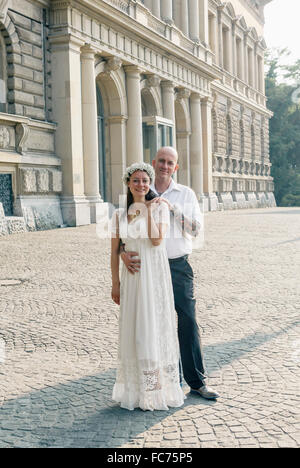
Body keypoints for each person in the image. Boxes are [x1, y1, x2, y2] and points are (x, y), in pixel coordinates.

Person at [121, 148, 220, 400]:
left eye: (170, 163)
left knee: (187, 320)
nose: (165, 166)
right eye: (161, 161)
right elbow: (123, 228)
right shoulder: (140, 188)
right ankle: (166, 381)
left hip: (177, 265)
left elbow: (196, 230)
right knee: (151, 324)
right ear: (155, 163)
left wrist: (172, 209)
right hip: (148, 268)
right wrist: (122, 251)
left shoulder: (185, 194)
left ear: (176, 167)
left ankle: (197, 381)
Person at [110, 162, 185, 411]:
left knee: (151, 329)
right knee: (134, 330)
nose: (141, 184)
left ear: (149, 183)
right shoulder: (119, 215)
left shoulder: (160, 208)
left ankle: (153, 390)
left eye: (145, 180)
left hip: (152, 277)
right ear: (128, 183)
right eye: (136, 180)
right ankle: (135, 389)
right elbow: (114, 251)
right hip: (131, 279)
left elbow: (156, 240)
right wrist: (115, 283)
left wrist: (149, 211)